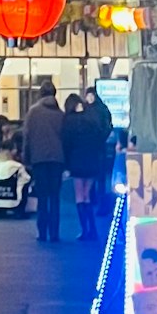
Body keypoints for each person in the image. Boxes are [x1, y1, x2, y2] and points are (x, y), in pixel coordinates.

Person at [64, 87, 114, 242]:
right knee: (87, 196)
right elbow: (102, 134)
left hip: (77, 162)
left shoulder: (69, 121)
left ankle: (85, 230)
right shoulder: (91, 120)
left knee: (80, 196)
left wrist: (66, 164)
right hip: (92, 161)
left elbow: (66, 144)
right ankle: (92, 229)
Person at [22, 82, 67, 242]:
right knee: (54, 196)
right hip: (57, 159)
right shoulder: (61, 114)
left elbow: (27, 136)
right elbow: (66, 138)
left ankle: (42, 232)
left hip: (39, 159)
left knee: (42, 196)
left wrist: (26, 158)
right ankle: (54, 233)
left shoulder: (33, 113)